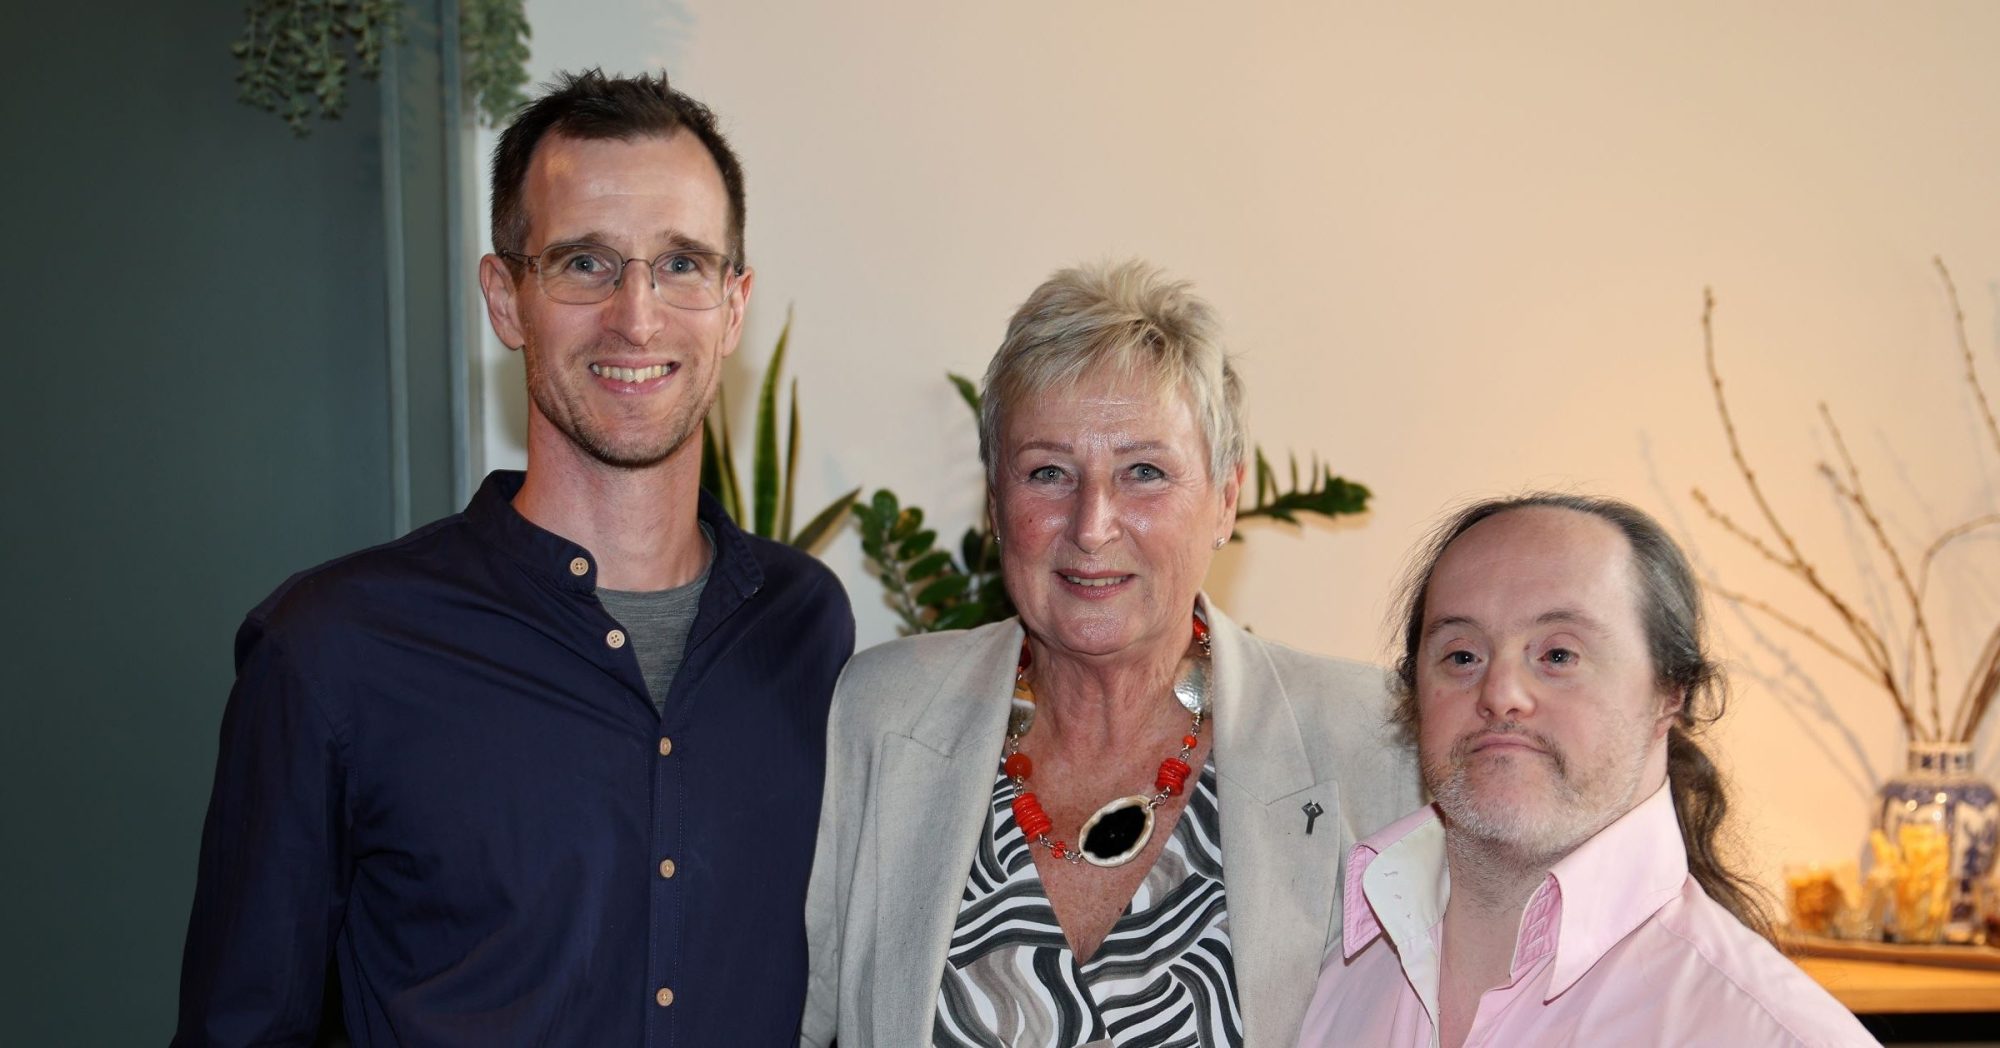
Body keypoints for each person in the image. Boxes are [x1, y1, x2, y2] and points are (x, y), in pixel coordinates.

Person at [174, 70, 854, 1046]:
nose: (636, 315)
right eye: (584, 263)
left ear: (732, 304)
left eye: (680, 264)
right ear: (505, 298)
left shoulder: (804, 624)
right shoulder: (332, 650)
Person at [801, 260, 1421, 1046]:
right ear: (996, 500)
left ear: (1226, 498)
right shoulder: (882, 715)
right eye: (1049, 472)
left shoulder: (1371, 742)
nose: (1092, 525)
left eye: (1144, 472)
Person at [1297, 494, 1877, 1047]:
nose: (1500, 693)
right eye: (1462, 655)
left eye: (1557, 655)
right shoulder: (1328, 979)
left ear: (1669, 694)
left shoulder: (1774, 1033)